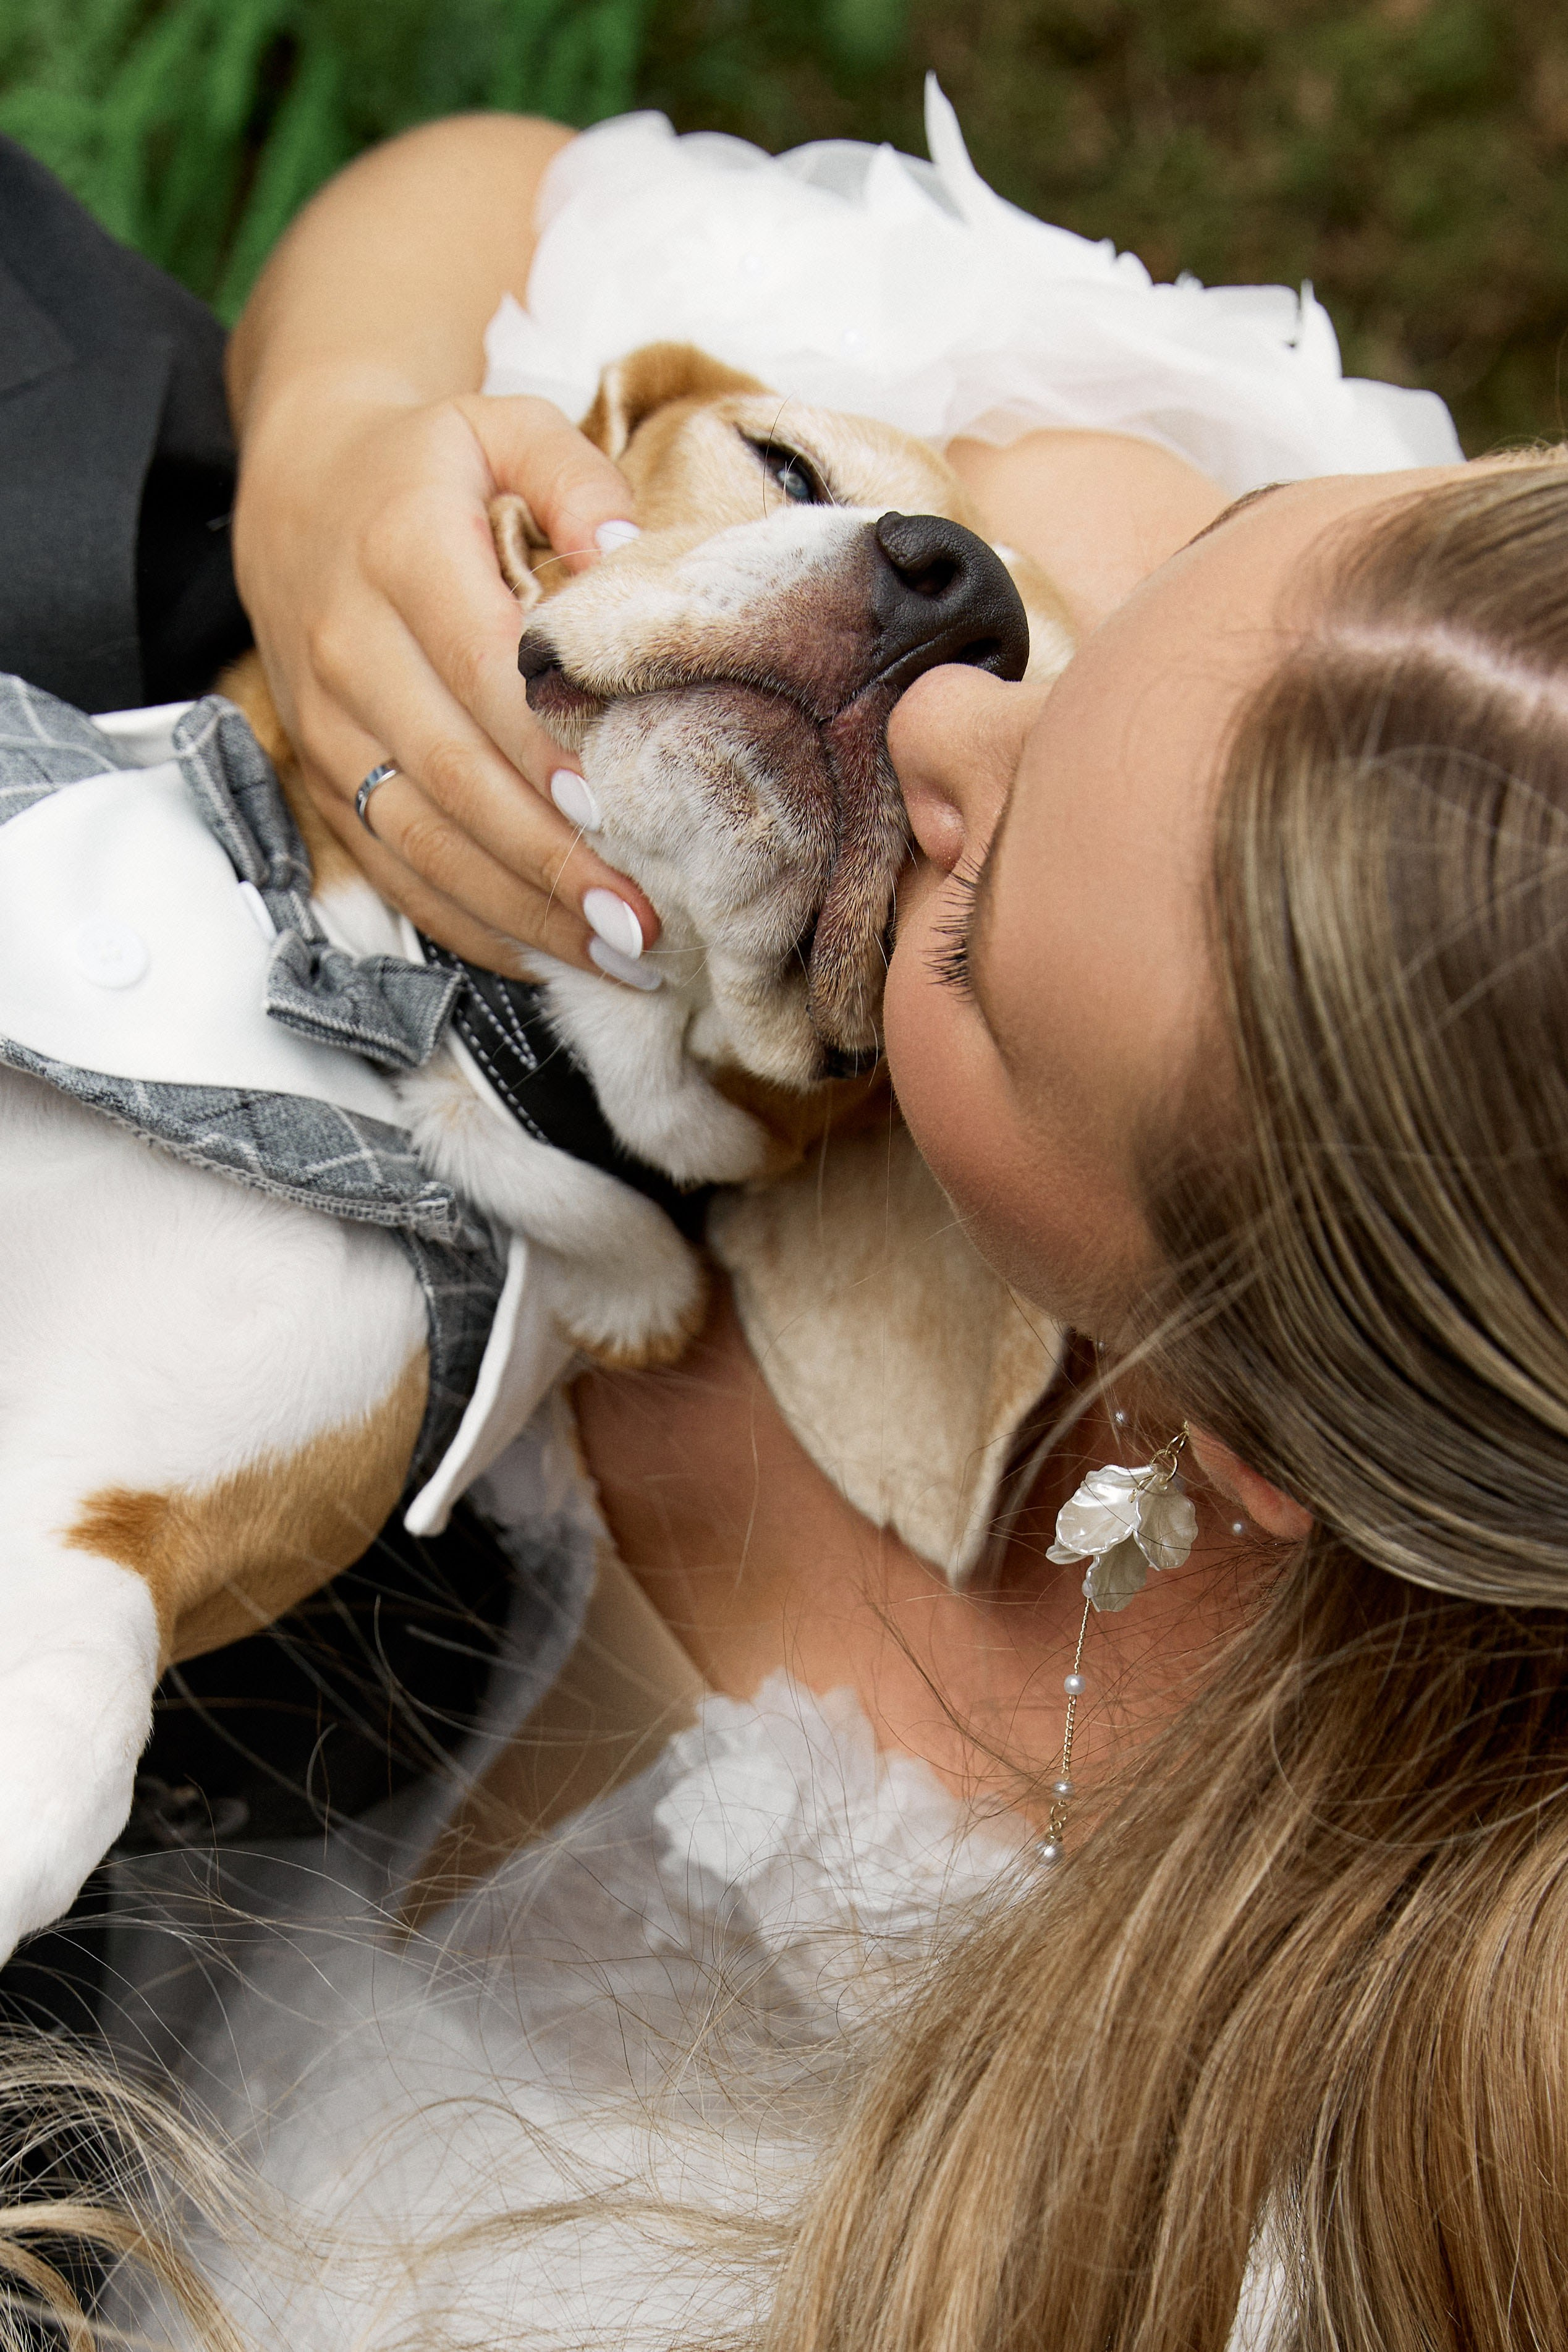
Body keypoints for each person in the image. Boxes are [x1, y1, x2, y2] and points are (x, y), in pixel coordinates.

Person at [3, 90, 1561, 2352]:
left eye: (981, 927)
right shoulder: (1321, 670)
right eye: (1085, 656)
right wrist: (343, 455)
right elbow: (493, 194)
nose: (947, 728)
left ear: (1224, 1432)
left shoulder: (1246, 2163)